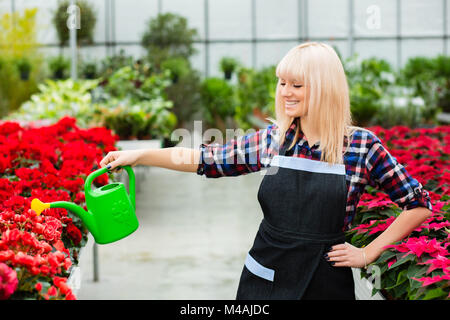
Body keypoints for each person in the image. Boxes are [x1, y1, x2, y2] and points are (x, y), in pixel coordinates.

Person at [99, 42, 432, 300]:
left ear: (324, 87)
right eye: (282, 82)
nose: (285, 92)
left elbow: (417, 204)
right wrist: (140, 155)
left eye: (296, 85)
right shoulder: (274, 140)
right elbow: (206, 159)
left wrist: (369, 252)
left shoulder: (361, 147)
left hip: (326, 282)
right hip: (265, 276)